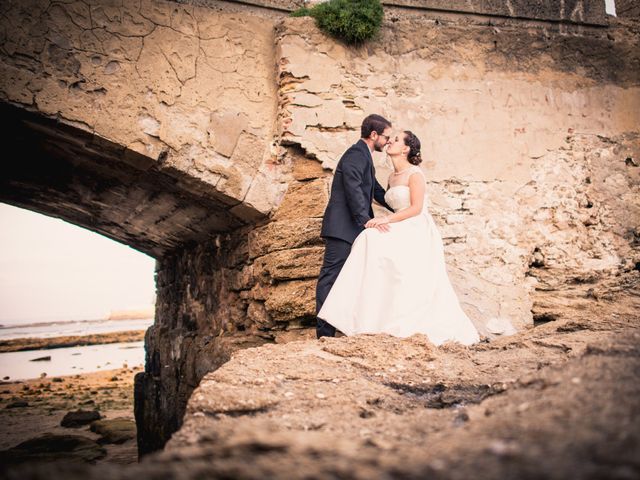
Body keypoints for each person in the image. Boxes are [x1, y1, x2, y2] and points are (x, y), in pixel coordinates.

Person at [317, 130, 480, 345]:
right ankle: (369, 318)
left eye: (395, 140)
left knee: (371, 238)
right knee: (369, 240)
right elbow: (377, 195)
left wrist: (386, 221)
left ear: (406, 149)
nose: (389, 142)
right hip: (400, 224)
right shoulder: (391, 177)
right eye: (389, 138)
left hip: (415, 226)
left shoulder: (415, 174)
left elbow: (416, 208)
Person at [315, 114, 395, 338]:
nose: (388, 141)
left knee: (350, 279)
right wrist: (365, 219)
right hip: (342, 229)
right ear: (374, 135)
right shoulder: (355, 154)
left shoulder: (365, 156)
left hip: (352, 229)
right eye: (386, 137)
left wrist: (401, 210)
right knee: (330, 279)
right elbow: (353, 187)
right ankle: (324, 334)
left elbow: (375, 190)